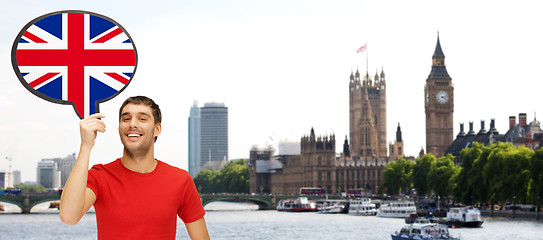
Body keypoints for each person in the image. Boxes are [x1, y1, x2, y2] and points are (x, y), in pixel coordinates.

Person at [60, 96, 210, 240]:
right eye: (126, 119)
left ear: (157, 129)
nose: (132, 124)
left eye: (142, 119)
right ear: (119, 128)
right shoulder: (99, 176)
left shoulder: (180, 180)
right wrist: (86, 146)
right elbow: (68, 217)